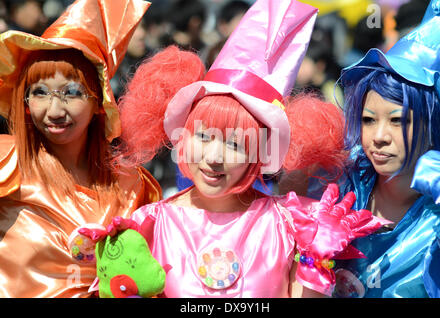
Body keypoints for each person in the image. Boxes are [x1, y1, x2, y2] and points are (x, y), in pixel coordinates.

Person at [88, 0, 387, 298]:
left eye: (234, 143)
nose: (214, 157)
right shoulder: (148, 225)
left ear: (259, 152)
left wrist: (315, 263)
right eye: (203, 136)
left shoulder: (290, 225)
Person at [0, 0, 161, 297]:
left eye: (72, 92)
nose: (54, 110)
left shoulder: (130, 185)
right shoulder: (5, 162)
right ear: (24, 103)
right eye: (39, 93)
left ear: (99, 102)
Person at [332, 0, 440, 298]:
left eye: (397, 121)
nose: (379, 137)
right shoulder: (338, 187)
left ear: (435, 127)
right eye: (368, 120)